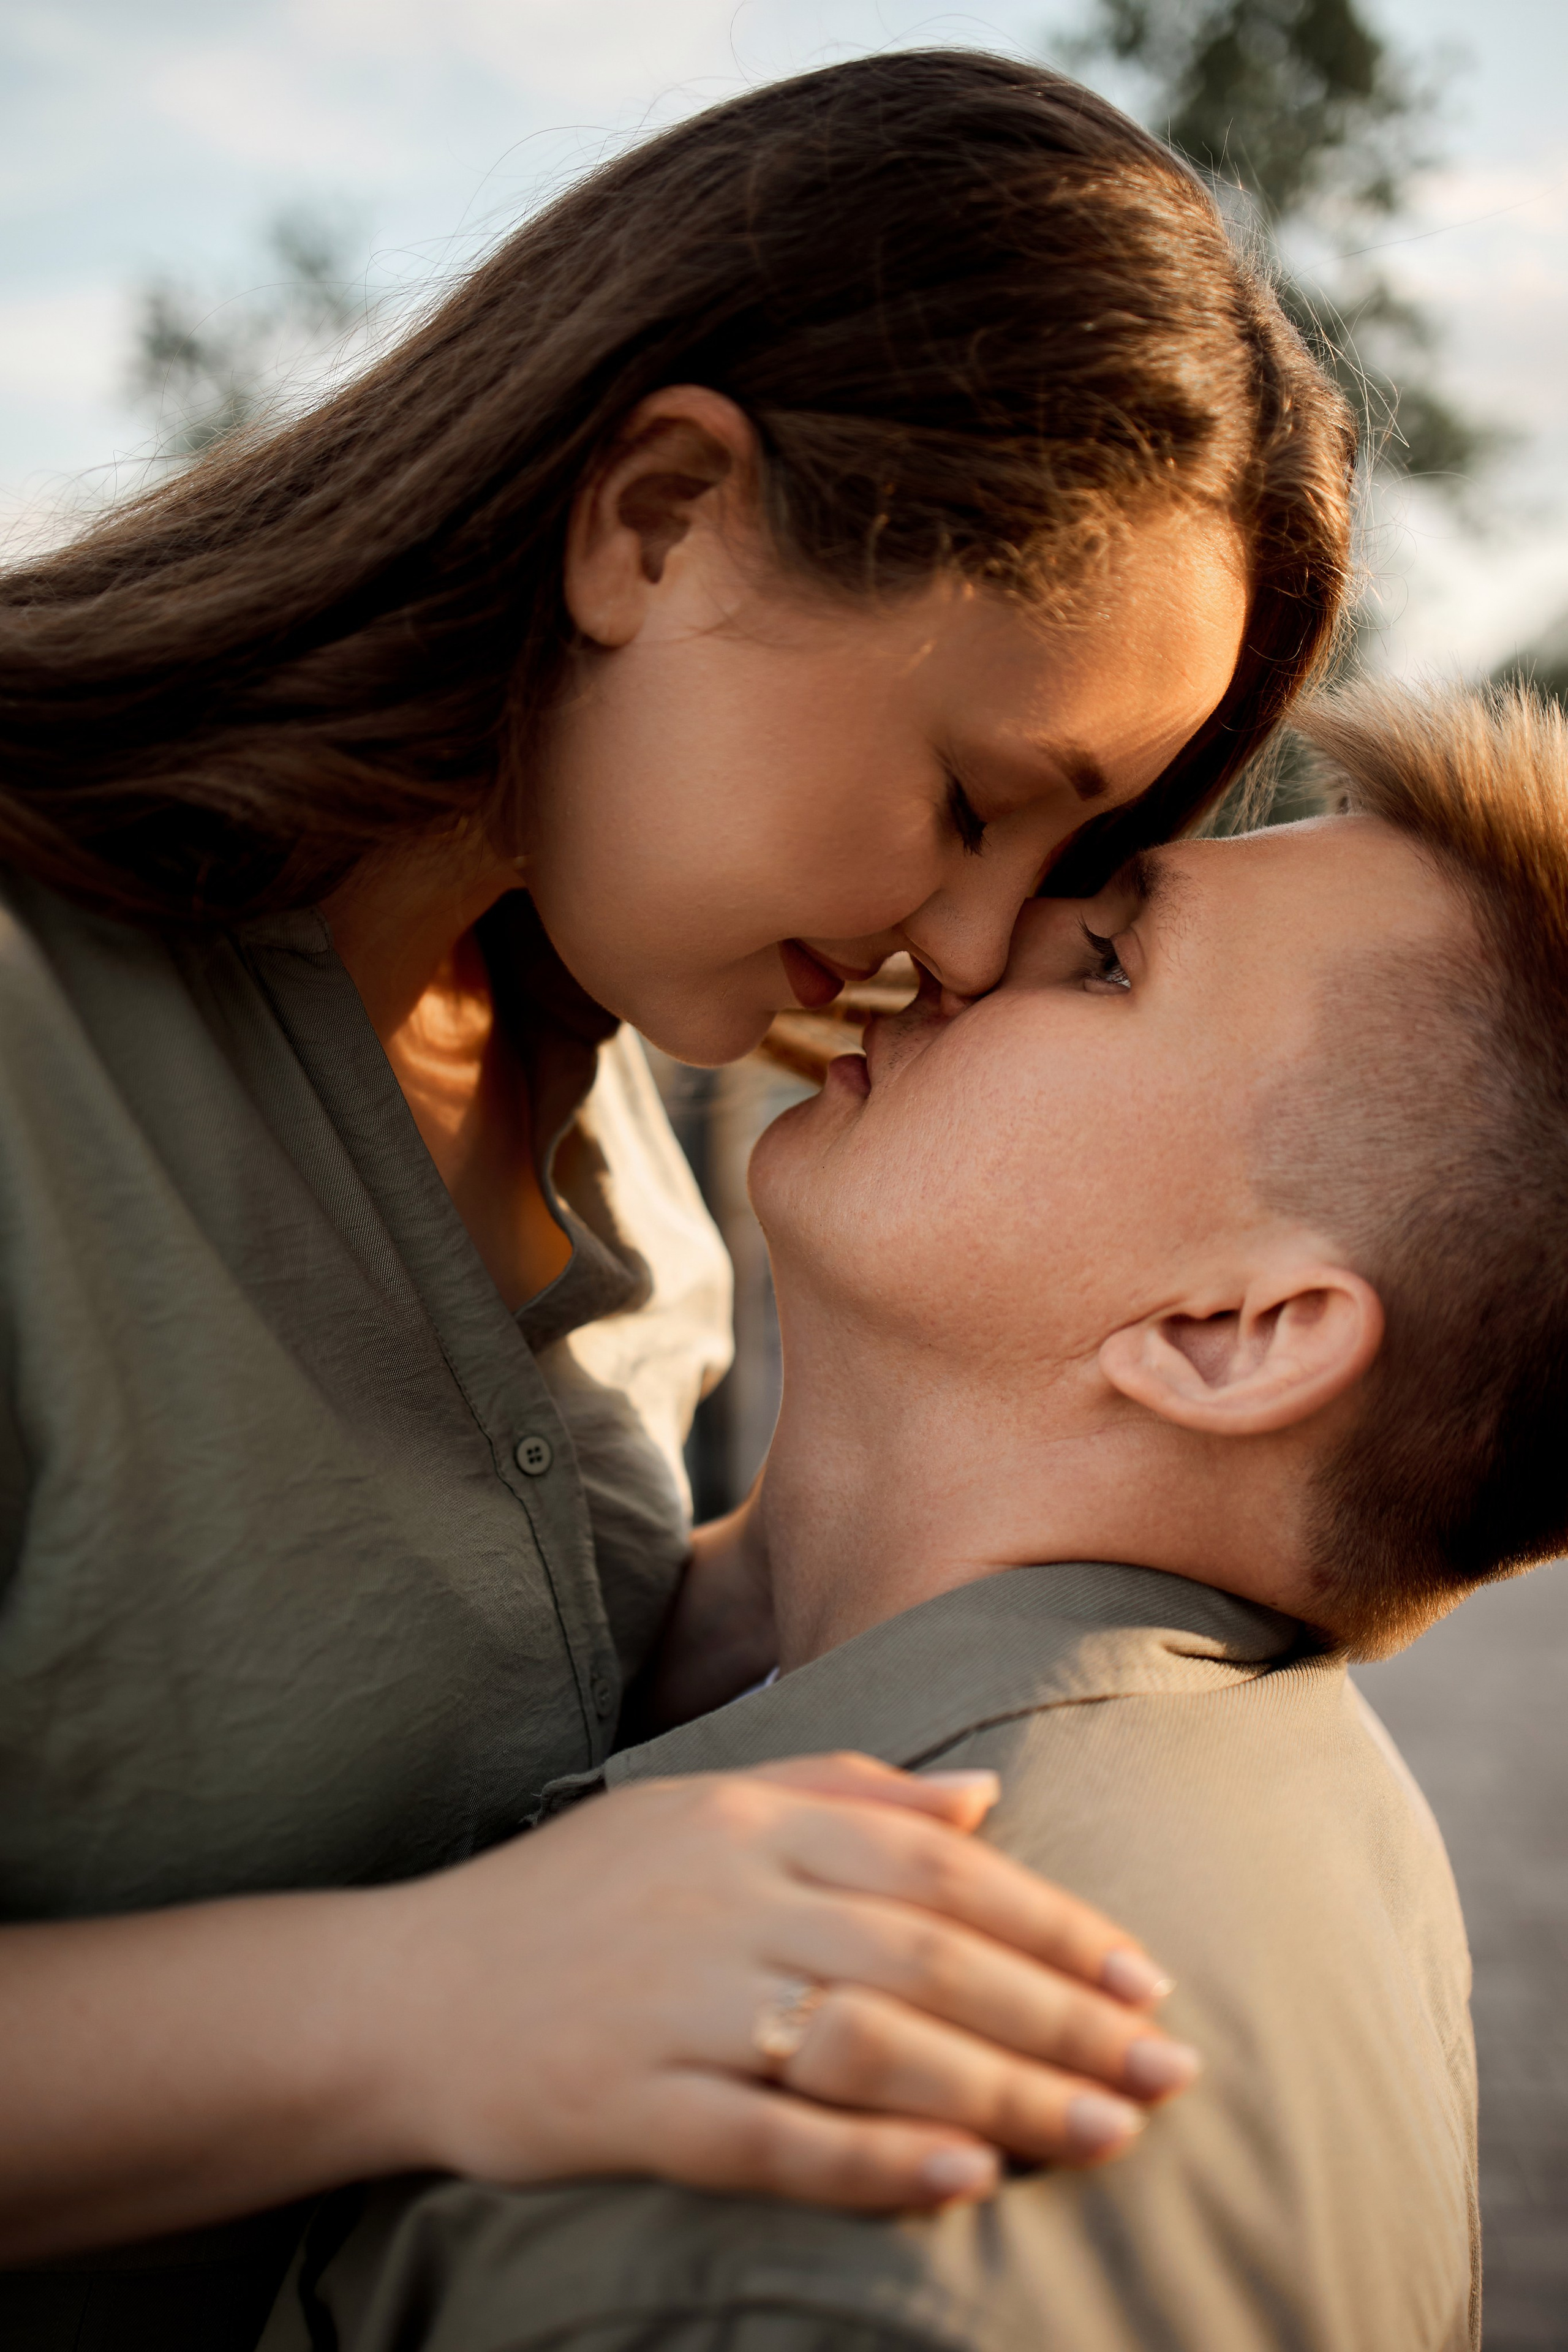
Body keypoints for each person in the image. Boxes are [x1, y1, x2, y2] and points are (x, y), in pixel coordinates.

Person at [0, 49, 1355, 2351]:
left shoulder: (612, 1086)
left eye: (1072, 876)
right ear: (655, 517)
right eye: (972, 797)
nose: (980, 954)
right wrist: (410, 2002)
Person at [280, 677, 1568, 2352]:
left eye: (1108, 962)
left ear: (1228, 1335)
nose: (971, 949)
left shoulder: (805, 2136)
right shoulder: (1306, 1818)